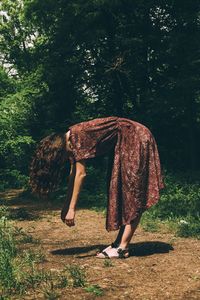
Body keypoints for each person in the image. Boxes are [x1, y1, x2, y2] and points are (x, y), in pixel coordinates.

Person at [30, 116, 164, 259]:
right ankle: (118, 243)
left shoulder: (76, 136)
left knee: (133, 191)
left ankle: (123, 247)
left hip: (135, 136)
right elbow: (73, 174)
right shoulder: (70, 140)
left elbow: (81, 174)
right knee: (123, 190)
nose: (62, 161)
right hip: (126, 140)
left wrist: (71, 209)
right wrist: (66, 205)